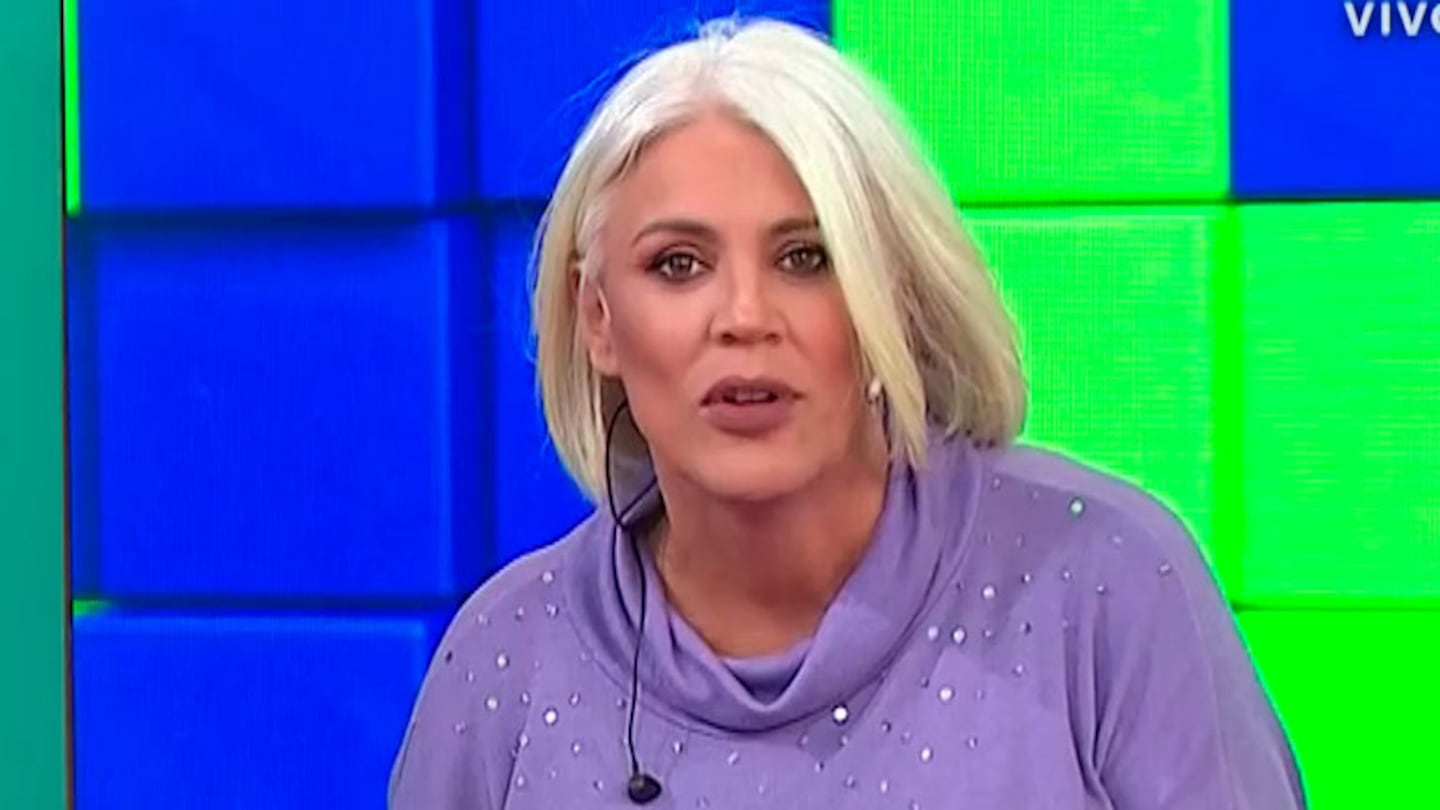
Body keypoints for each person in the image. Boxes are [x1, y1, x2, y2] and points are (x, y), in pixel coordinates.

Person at [388, 16, 1306, 809]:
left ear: (889, 300)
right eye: (678, 265)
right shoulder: (506, 661)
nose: (745, 317)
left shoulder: (1107, 586)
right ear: (597, 319)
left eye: (807, 258)